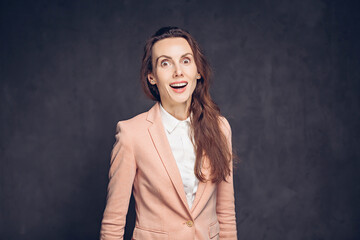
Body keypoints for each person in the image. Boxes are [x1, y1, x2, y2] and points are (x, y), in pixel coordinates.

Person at [100, 26, 237, 240]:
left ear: (198, 71)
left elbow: (226, 213)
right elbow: (114, 221)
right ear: (152, 77)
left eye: (185, 60)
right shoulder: (131, 134)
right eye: (165, 63)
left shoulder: (221, 128)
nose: (178, 72)